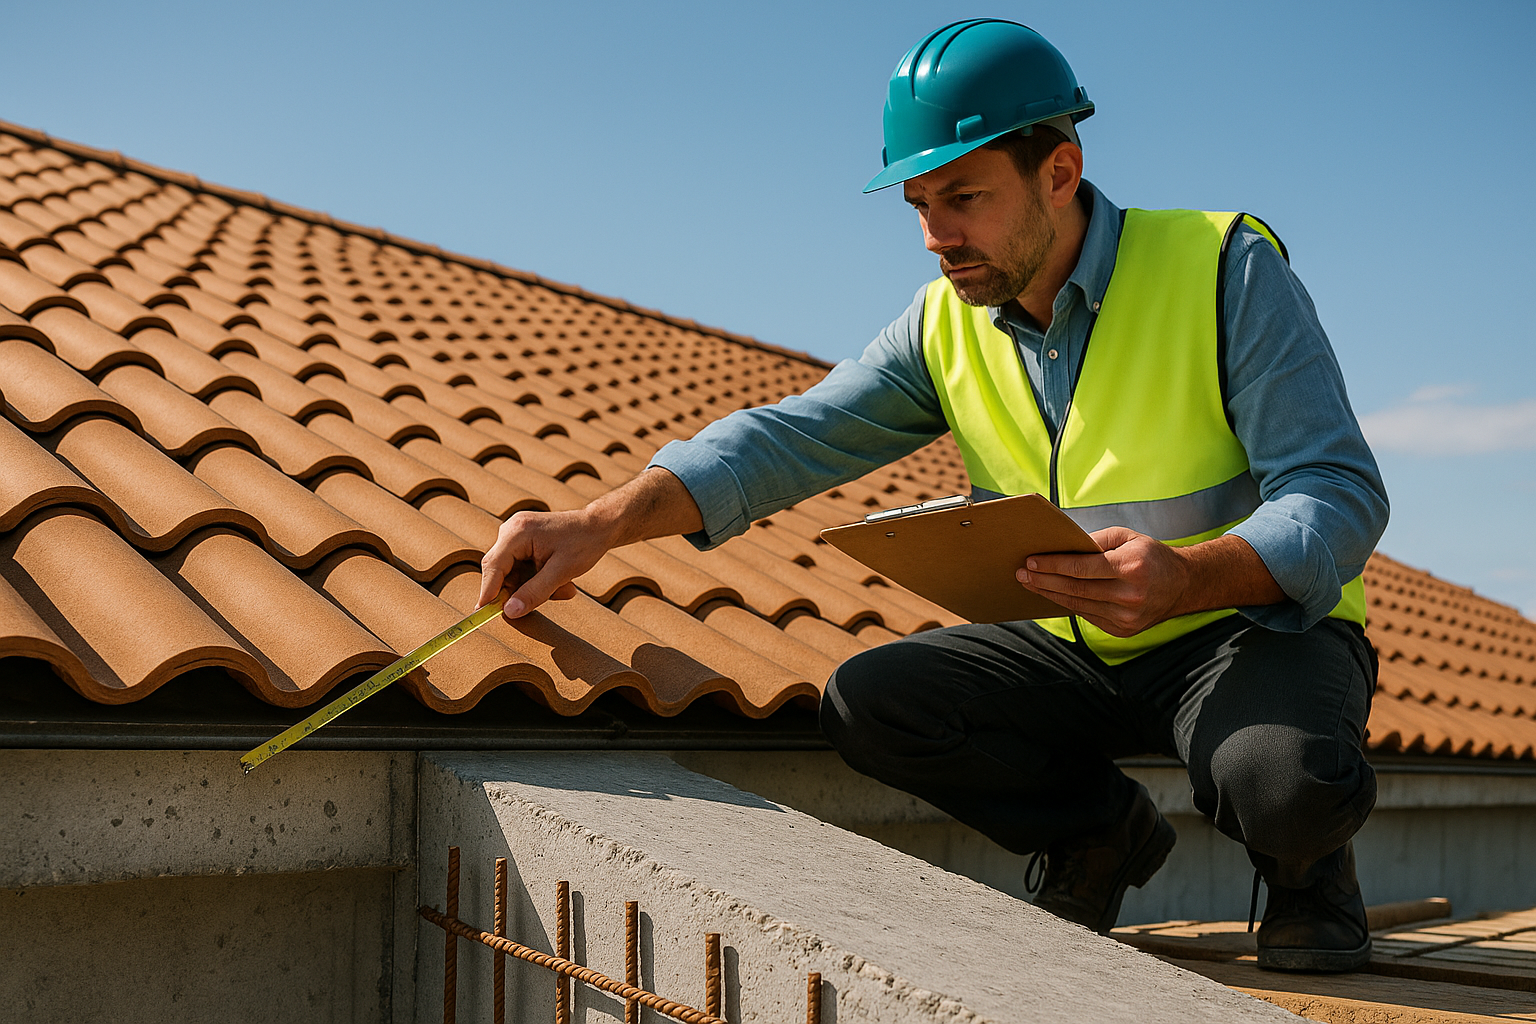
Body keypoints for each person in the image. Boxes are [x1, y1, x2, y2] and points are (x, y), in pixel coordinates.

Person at [476, 19, 1388, 972]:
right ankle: (1098, 833)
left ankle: (1307, 878)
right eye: (917, 202)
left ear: (1061, 172)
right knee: (873, 702)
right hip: (1068, 642)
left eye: (962, 196)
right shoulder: (945, 322)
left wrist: (1191, 577)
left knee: (1279, 784)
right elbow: (793, 435)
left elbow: (1337, 488)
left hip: (1244, 630)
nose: (934, 236)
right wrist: (601, 522)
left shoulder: (1223, 268)